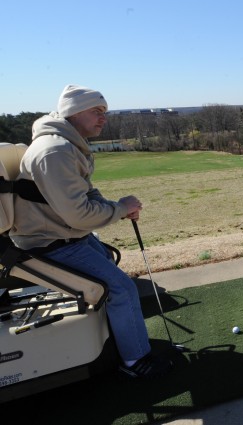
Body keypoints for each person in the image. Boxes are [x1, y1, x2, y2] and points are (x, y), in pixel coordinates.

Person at [10, 85, 172, 378]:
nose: (103, 118)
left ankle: (117, 343)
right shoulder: (55, 151)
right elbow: (80, 214)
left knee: (114, 275)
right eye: (97, 111)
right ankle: (136, 361)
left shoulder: (68, 145)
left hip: (63, 234)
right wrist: (120, 208)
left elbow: (87, 193)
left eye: (105, 112)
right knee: (121, 289)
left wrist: (116, 207)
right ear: (73, 112)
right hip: (49, 244)